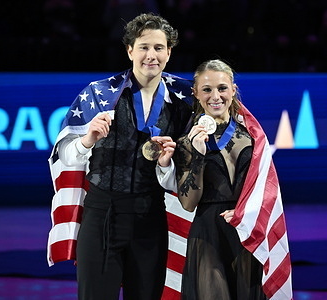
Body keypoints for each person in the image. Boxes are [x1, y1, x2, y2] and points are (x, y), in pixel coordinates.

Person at [46, 13, 194, 300]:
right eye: (143, 47)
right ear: (129, 50)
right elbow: (64, 156)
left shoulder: (183, 100)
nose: (151, 55)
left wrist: (166, 164)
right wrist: (88, 139)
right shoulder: (99, 93)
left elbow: (188, 169)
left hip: (150, 217)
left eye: (158, 48)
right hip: (102, 215)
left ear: (169, 52)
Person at [171, 60, 292, 299]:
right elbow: (188, 203)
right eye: (207, 89)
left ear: (233, 90)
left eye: (222, 88)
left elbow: (267, 191)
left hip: (247, 231)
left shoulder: (253, 136)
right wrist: (197, 155)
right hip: (209, 235)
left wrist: (244, 212)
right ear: (195, 93)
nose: (215, 96)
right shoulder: (187, 141)